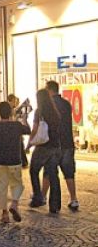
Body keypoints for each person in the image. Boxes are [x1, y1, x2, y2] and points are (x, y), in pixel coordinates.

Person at [0, 102, 30, 223]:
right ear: (11, 112)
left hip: (1, 161)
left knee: (1, 187)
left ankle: (4, 214)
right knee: (17, 184)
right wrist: (25, 120)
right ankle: (14, 204)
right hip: (15, 160)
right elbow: (28, 130)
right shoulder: (16, 125)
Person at [42, 81, 79, 210]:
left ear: (49, 90)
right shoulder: (66, 104)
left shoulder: (46, 105)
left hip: (52, 144)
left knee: (48, 171)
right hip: (67, 143)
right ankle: (73, 198)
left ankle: (42, 196)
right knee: (69, 172)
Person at [29, 88, 62, 214]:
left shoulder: (39, 111)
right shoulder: (55, 112)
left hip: (43, 147)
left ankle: (38, 197)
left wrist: (30, 143)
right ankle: (55, 205)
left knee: (34, 171)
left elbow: (35, 129)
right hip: (55, 146)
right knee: (53, 175)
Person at [8, 94, 29, 168]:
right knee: (20, 145)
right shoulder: (10, 109)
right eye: (14, 101)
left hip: (14, 129)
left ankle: (23, 162)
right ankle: (23, 162)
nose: (15, 102)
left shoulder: (13, 109)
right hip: (13, 129)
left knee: (20, 145)